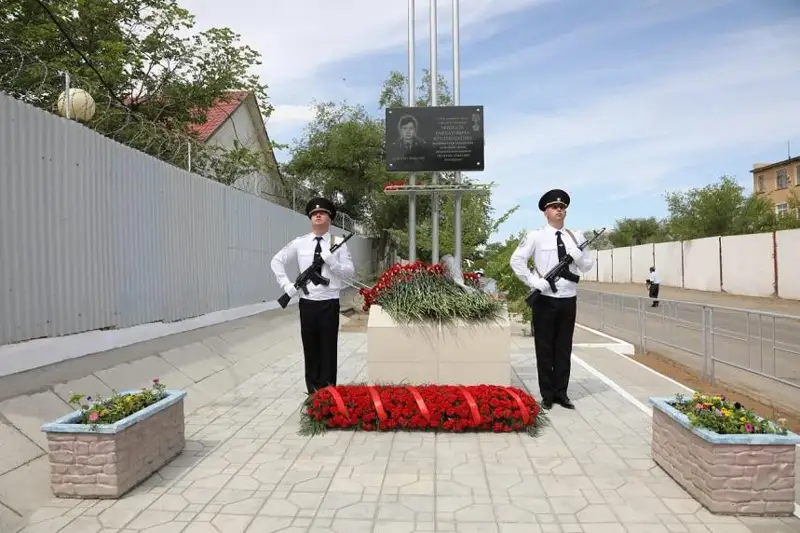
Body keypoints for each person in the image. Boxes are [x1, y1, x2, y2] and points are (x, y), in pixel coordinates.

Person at [509, 189, 595, 410]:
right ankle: (547, 395)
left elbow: (587, 266)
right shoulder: (535, 236)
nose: (559, 210)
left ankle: (562, 393)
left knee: (564, 348)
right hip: (545, 299)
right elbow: (516, 260)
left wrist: (578, 256)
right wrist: (532, 281)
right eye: (554, 207)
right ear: (545, 212)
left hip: (568, 298)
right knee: (545, 348)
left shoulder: (576, 237)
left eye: (562, 207)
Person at [270, 197, 355, 394]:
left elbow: (350, 272)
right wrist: (286, 285)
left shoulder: (339, 243)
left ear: (330, 218)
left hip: (329, 304)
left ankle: (329, 395)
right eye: (314, 213)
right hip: (307, 304)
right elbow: (276, 261)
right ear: (310, 218)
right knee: (311, 350)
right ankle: (313, 396)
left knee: (328, 350)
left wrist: (333, 263)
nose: (318, 215)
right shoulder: (300, 243)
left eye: (323, 213)